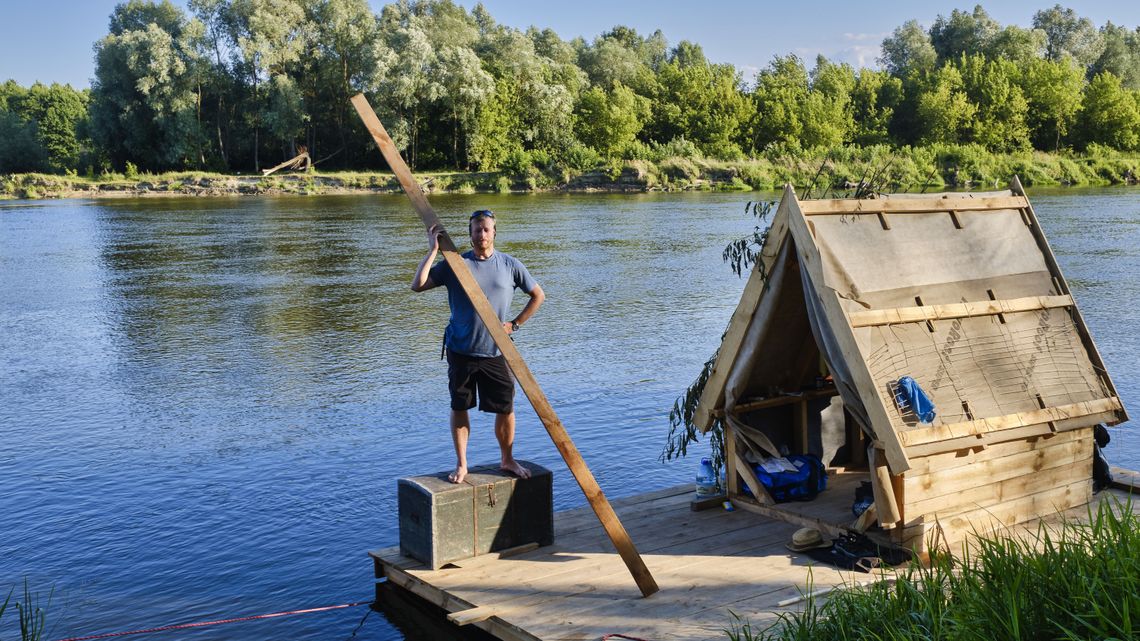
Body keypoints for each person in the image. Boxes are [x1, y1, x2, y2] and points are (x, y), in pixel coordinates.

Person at [411, 210, 545, 484]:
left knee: (505, 407)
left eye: (486, 229)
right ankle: (462, 464)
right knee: (460, 406)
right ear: (470, 233)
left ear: (494, 232)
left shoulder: (510, 265)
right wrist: (433, 251)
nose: (481, 234)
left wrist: (515, 324)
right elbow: (418, 285)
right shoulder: (455, 264)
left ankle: (507, 459)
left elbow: (537, 295)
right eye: (476, 229)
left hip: (497, 351)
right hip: (461, 350)